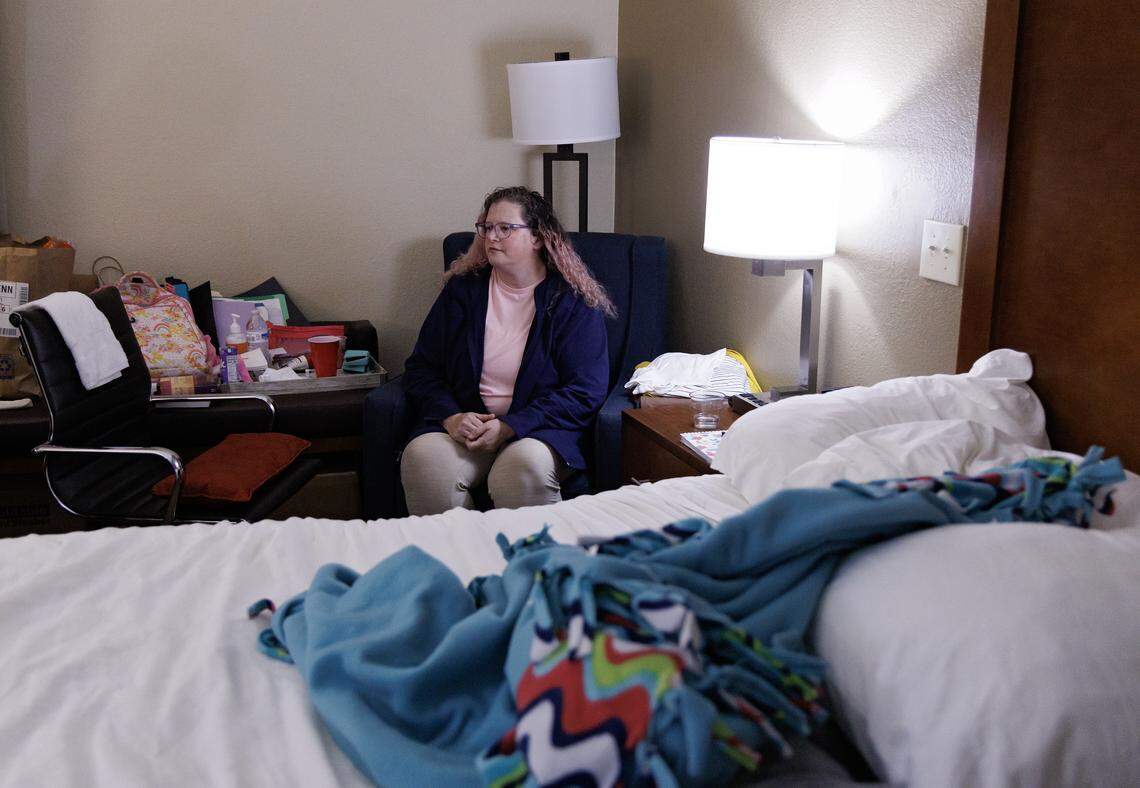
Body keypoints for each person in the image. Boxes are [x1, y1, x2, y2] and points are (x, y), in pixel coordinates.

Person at [399, 186, 615, 515]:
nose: (491, 237)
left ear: (538, 237)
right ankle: (460, 550)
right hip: (467, 427)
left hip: (539, 431)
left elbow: (586, 389)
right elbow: (422, 368)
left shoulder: (571, 301)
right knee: (423, 459)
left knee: (519, 469)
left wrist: (511, 426)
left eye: (505, 228)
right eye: (487, 227)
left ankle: (531, 552)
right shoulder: (463, 291)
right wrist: (451, 417)